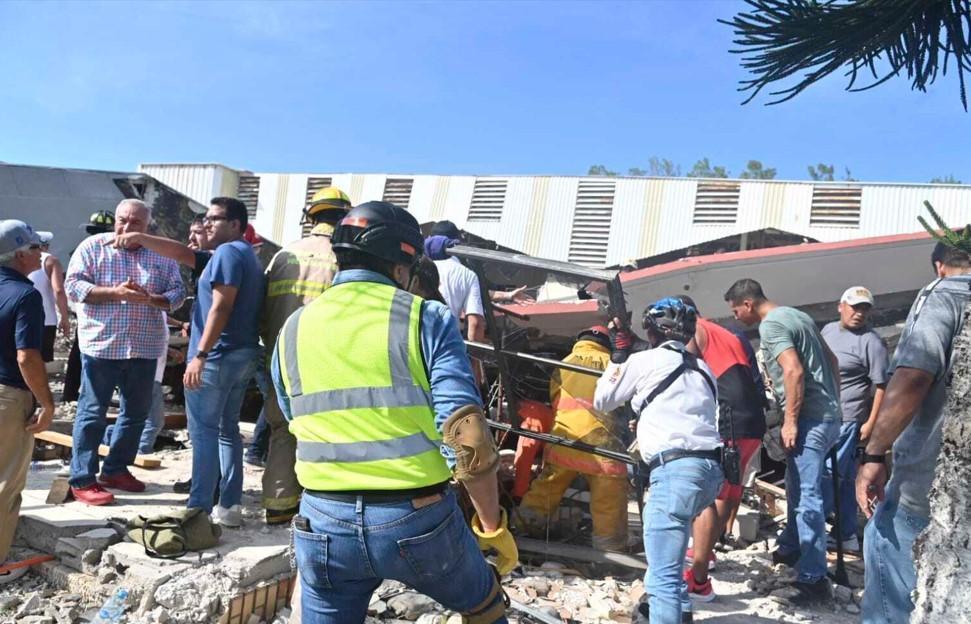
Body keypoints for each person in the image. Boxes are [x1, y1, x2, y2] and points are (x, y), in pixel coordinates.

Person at [273, 201, 515, 623]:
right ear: (403, 264)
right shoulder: (425, 317)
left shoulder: (293, 327)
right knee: (484, 606)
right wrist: (492, 526)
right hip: (417, 520)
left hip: (323, 520)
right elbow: (467, 436)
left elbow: (294, 417)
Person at [856, 235, 971, 624]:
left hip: (934, 486)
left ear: (939, 264)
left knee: (885, 537)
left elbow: (913, 379)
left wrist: (873, 455)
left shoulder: (944, 293)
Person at [595, 297, 723, 624]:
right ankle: (681, 612)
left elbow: (603, 399)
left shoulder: (647, 360)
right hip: (709, 471)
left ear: (651, 330)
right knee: (670, 556)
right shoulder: (702, 368)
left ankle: (670, 613)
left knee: (662, 576)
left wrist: (618, 357)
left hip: (675, 471)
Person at [724, 278, 841, 605]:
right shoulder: (797, 315)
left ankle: (814, 579)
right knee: (796, 484)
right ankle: (790, 549)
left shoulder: (771, 325)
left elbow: (793, 371)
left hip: (809, 419)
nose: (736, 318)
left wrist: (791, 420)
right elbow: (833, 362)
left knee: (806, 498)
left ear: (748, 304)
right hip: (829, 415)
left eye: (736, 311)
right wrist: (834, 403)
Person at [64, 200, 185, 506]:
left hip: (144, 346)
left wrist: (155, 300)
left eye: (136, 224)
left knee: (135, 415)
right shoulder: (93, 247)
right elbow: (74, 286)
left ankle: (116, 469)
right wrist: (115, 293)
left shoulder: (160, 253)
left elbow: (178, 292)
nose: (127, 228)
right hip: (103, 346)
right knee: (92, 412)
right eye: (122, 221)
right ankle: (82, 478)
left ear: (148, 226)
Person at [256, 186, 349, 524]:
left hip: (280, 357)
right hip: (325, 361)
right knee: (327, 433)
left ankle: (278, 505)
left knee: (282, 430)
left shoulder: (284, 256)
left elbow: (262, 311)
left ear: (312, 216)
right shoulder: (344, 259)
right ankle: (320, 508)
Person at [176, 197, 264, 525]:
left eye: (216, 219)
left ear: (236, 225)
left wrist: (200, 354)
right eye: (207, 218)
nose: (208, 223)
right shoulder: (248, 255)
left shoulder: (228, 253)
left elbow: (221, 306)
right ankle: (229, 507)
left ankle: (198, 508)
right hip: (241, 353)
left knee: (203, 432)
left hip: (217, 356)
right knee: (227, 431)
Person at [676, 296, 765, 603]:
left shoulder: (695, 330)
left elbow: (682, 371)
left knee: (707, 490)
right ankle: (707, 552)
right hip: (752, 418)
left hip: (728, 416)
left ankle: (699, 576)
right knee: (728, 488)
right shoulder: (726, 333)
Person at [519, 326, 629, 551]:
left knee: (547, 488)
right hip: (602, 443)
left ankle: (522, 527)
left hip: (565, 440)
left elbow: (555, 398)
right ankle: (610, 550)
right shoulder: (614, 365)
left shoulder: (564, 363)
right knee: (608, 497)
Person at [0, 220, 55, 584]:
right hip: (8, 396)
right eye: (36, 248)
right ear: (21, 254)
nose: (42, 253)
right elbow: (27, 357)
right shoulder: (27, 295)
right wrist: (47, 404)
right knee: (6, 482)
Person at [819, 286, 888, 553]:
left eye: (864, 309)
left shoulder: (872, 341)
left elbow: (881, 385)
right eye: (854, 307)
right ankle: (846, 533)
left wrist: (870, 423)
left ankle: (811, 530)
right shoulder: (827, 331)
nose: (859, 313)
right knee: (846, 478)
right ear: (841, 306)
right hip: (825, 414)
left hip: (849, 419)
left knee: (827, 474)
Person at [62, 210, 117, 402]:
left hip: (93, 307)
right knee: (85, 352)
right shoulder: (85, 251)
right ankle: (76, 393)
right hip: (91, 307)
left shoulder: (86, 249)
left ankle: (74, 392)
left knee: (83, 351)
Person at [426, 222, 486, 342]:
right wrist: (473, 357)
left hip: (412, 339)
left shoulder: (416, 265)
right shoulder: (467, 274)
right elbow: (475, 324)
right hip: (446, 342)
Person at [27, 231, 70, 364]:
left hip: (21, 315)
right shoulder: (51, 261)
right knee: (41, 361)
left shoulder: (21, 258)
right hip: (46, 318)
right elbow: (58, 290)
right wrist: (64, 317)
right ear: (45, 246)